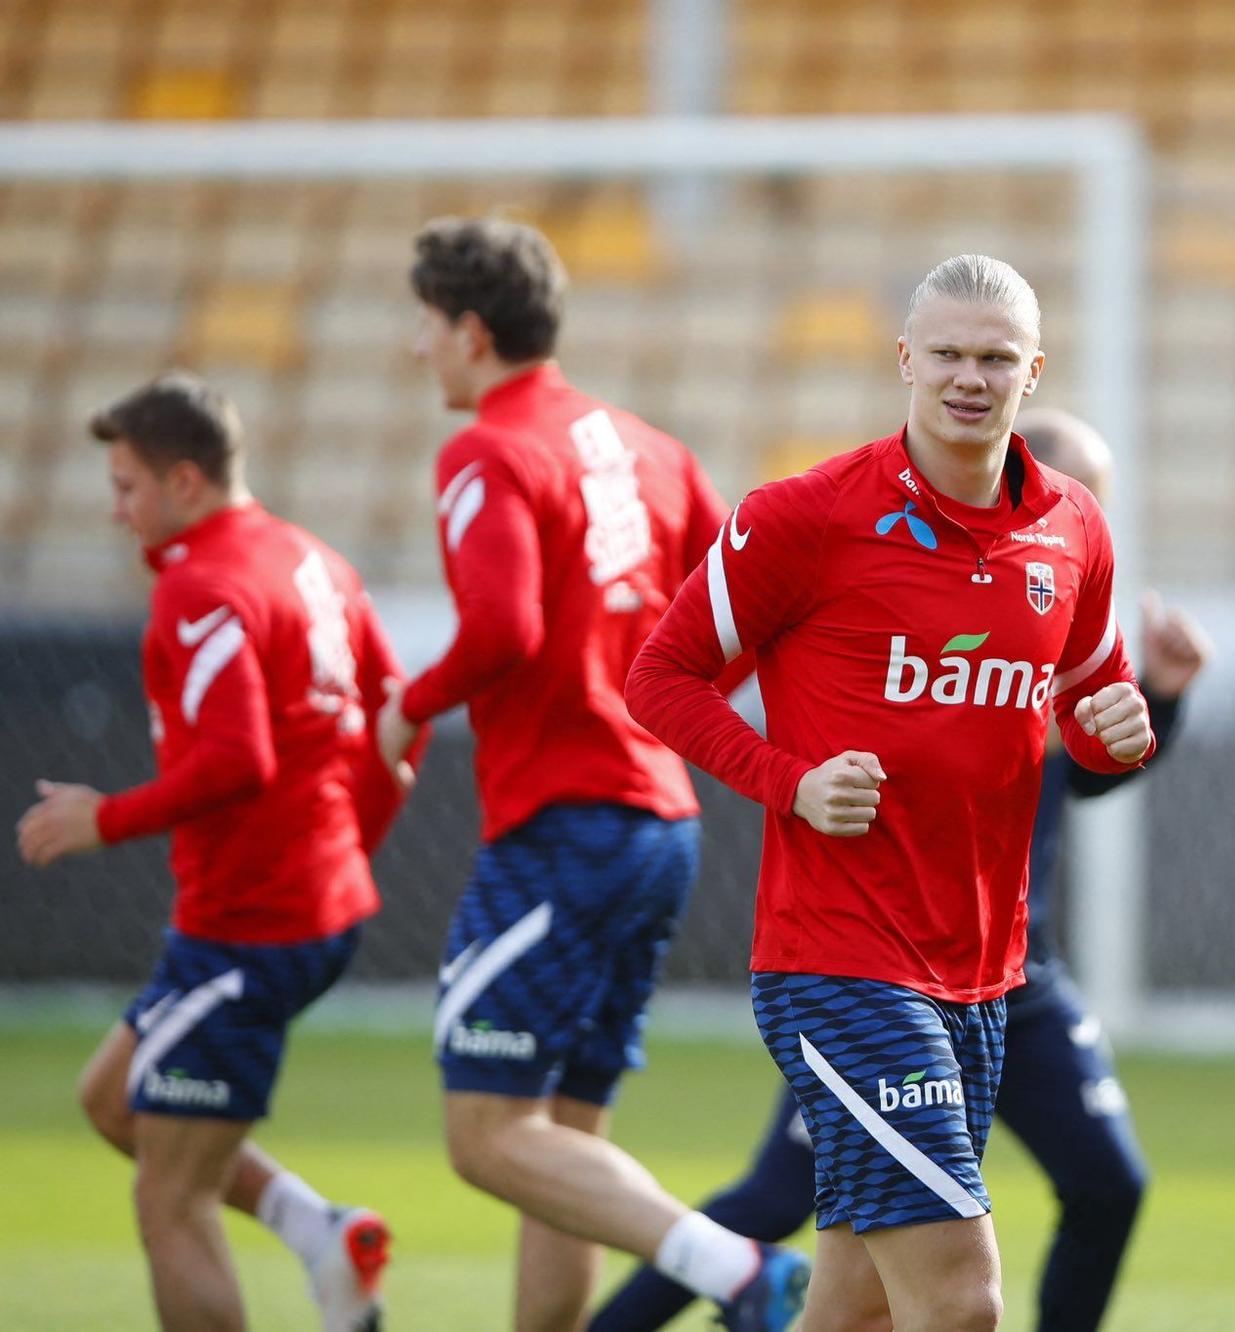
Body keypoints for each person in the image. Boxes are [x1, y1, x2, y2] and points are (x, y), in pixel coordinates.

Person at [591, 408, 1212, 1332]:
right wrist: (792, 781)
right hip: (859, 962)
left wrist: (1157, 706)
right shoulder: (851, 544)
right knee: (913, 1275)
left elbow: (1079, 768)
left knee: (884, 1289)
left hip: (1004, 974)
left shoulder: (1058, 572)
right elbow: (664, 675)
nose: (1077, 511)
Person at [373, 217, 805, 1332]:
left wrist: (407, 706)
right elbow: (746, 620)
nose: (415, 347)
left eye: (422, 323)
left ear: (469, 332)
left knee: (486, 1140)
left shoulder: (485, 450)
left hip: (566, 825)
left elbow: (504, 627)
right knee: (560, 1146)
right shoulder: (651, 448)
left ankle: (744, 1274)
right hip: (661, 826)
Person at [15, 372, 411, 1332]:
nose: (115, 510)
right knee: (110, 1099)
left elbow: (238, 759)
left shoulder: (203, 586)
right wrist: (347, 843)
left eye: (126, 486)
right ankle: (321, 1233)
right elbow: (401, 710)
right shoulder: (310, 557)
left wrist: (100, 818)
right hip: (299, 907)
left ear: (184, 482)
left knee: (169, 1199)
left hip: (250, 925)